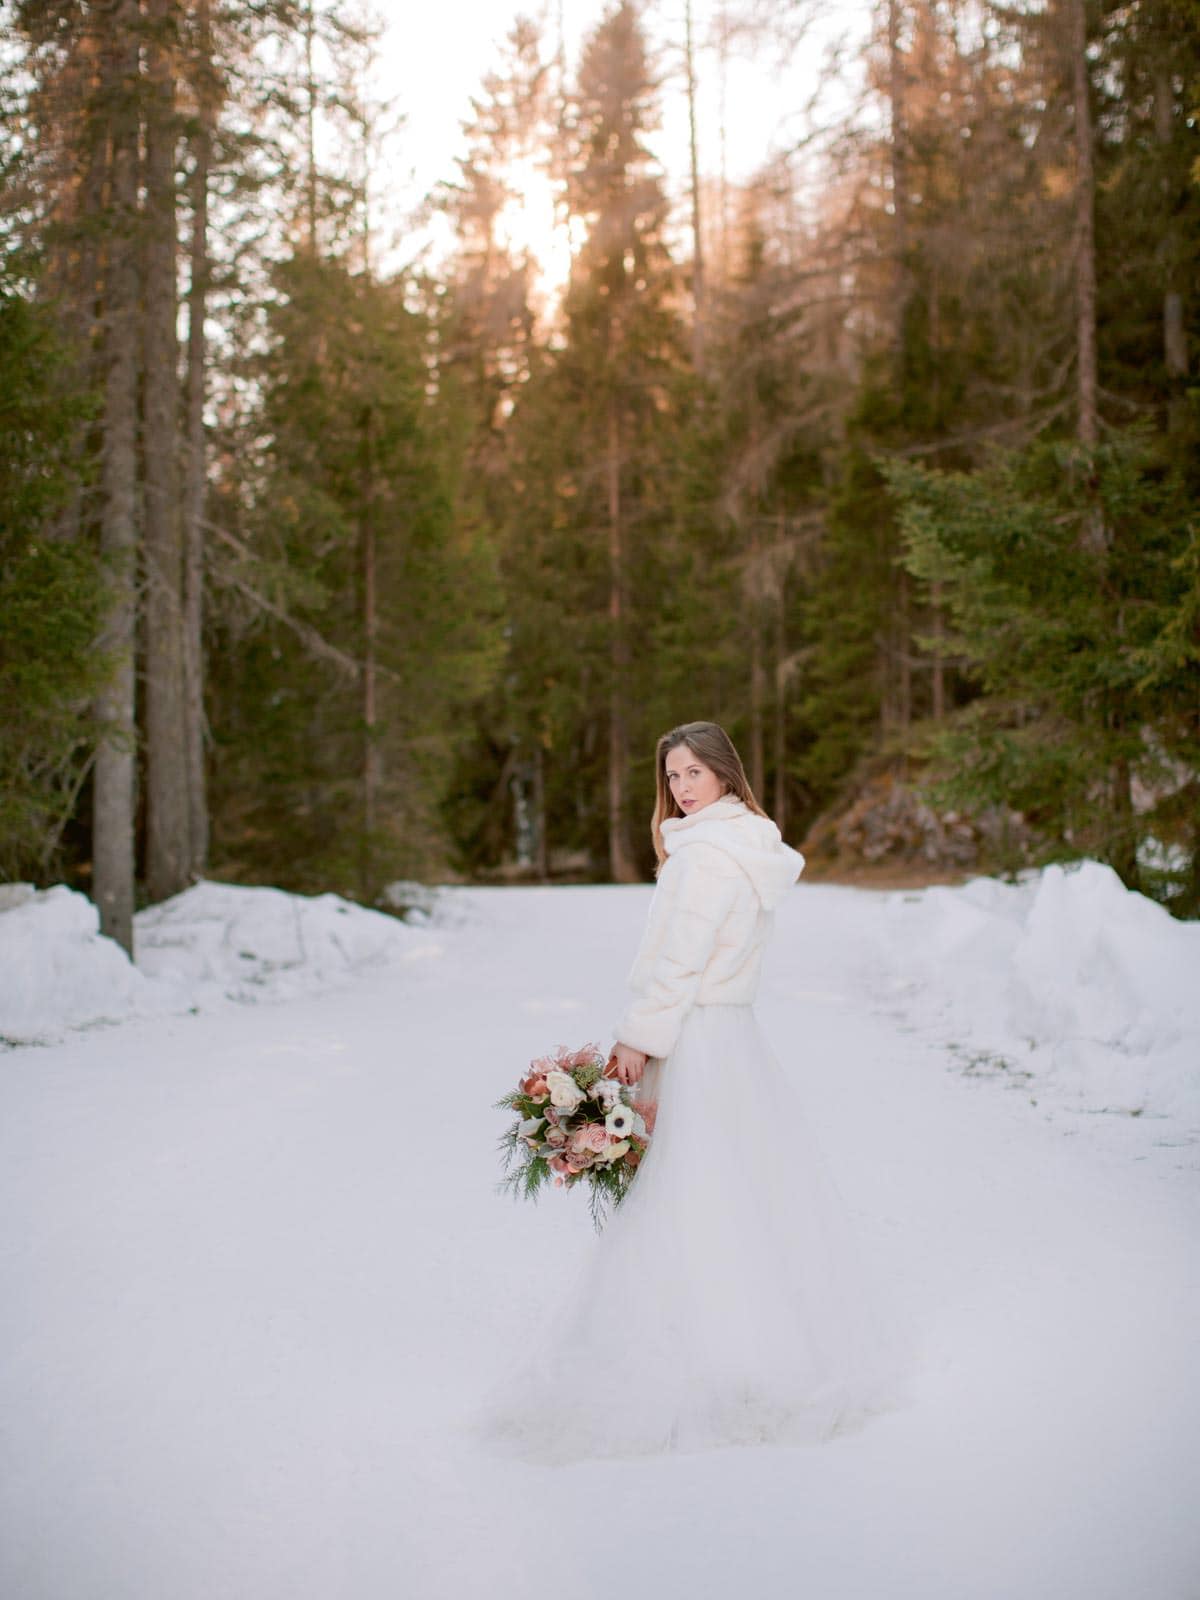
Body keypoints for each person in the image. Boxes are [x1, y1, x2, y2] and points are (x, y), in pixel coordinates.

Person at [475, 720, 913, 1463]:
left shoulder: (704, 857)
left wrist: (637, 1036)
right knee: (739, 1191)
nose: (680, 789)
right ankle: (767, 1344)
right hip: (732, 1037)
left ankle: (705, 1361)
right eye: (672, 777)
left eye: (694, 775)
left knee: (689, 1196)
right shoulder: (747, 848)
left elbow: (681, 959)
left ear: (726, 776)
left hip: (695, 1037)